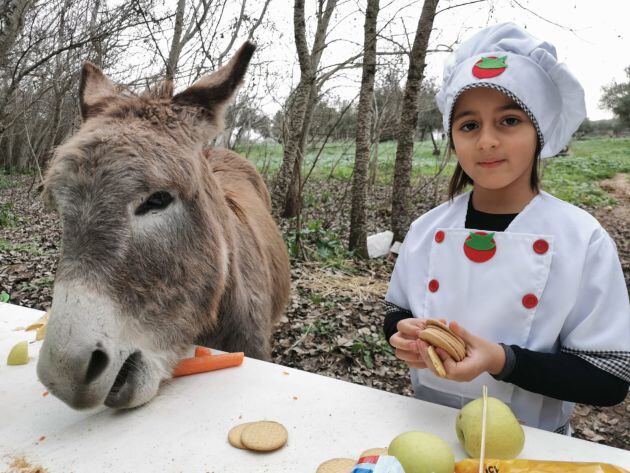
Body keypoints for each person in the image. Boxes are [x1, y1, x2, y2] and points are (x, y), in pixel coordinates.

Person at [384, 22, 630, 434]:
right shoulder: (427, 229)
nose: (487, 141)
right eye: (469, 125)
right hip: (427, 431)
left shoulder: (581, 239)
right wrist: (401, 333)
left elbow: (608, 378)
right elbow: (397, 311)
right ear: (452, 138)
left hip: (532, 446)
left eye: (509, 120)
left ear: (541, 131)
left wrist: (503, 361)